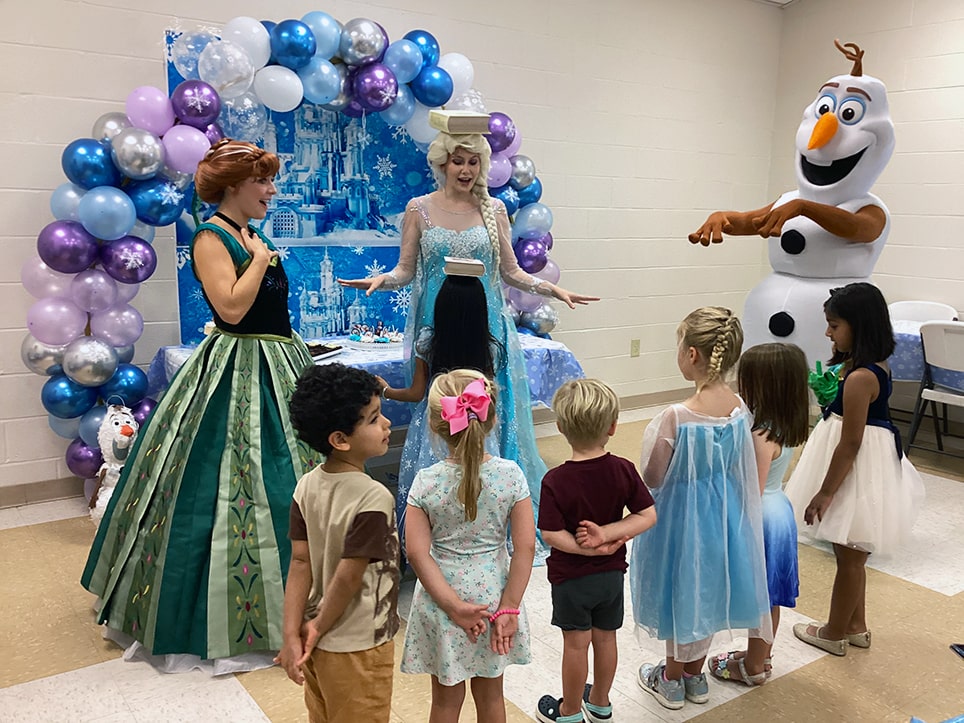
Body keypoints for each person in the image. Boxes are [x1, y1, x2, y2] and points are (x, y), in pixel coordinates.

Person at [81, 139, 317, 672]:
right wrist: (258, 260)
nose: (271, 191)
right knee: (227, 482)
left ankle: (308, 599)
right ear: (234, 187)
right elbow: (232, 308)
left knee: (293, 475)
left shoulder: (248, 232)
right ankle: (228, 612)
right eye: (262, 182)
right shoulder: (214, 236)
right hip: (239, 366)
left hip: (282, 360)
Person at [338, 130, 598, 543]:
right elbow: (406, 270)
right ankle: (441, 512)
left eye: (473, 161)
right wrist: (381, 281)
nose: (466, 169)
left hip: (485, 325)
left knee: (486, 409)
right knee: (444, 406)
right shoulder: (419, 209)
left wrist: (553, 289)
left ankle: (495, 508)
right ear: (442, 163)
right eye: (458, 160)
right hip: (438, 326)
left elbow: (512, 272)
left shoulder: (493, 209)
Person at [630, 307, 772, 710]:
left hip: (679, 518)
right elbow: (737, 465)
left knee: (681, 590)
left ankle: (672, 678)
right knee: (709, 587)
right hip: (723, 515)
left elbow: (654, 476)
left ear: (692, 354)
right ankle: (696, 675)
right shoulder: (740, 409)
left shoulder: (675, 417)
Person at [785, 282, 924, 656]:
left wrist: (825, 491)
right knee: (852, 552)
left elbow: (850, 443)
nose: (828, 332)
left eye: (834, 325)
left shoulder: (862, 377)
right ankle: (856, 625)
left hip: (856, 469)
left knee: (849, 555)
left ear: (859, 326)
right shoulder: (868, 367)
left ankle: (833, 632)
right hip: (862, 463)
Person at [400, 370, 535, 723]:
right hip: (493, 600)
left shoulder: (426, 481)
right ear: (491, 418)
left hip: (442, 602)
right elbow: (525, 549)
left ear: (434, 423)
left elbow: (415, 552)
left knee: (445, 702)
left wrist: (453, 605)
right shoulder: (511, 475)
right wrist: (509, 607)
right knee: (491, 699)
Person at [277, 363, 399, 723]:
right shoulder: (374, 497)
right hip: (359, 643)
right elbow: (348, 577)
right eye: (374, 419)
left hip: (316, 638)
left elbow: (300, 563)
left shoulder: (306, 486)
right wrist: (316, 628)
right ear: (340, 439)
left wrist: (293, 633)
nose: (387, 424)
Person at [534, 379, 657, 723]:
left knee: (576, 645)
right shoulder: (622, 469)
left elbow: (551, 534)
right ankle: (601, 703)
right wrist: (610, 536)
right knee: (606, 640)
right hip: (611, 577)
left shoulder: (555, 480)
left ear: (560, 427)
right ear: (613, 427)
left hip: (572, 580)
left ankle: (570, 711)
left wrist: (585, 548)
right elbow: (647, 515)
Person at [708, 343, 811, 686]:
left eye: (746, 380)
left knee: (761, 595)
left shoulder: (760, 433)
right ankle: (759, 656)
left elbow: (752, 485)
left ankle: (752, 667)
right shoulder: (786, 423)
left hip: (760, 515)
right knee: (772, 593)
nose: (740, 386)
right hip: (779, 508)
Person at [378, 274, 504, 538]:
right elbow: (489, 393)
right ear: (481, 310)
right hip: (476, 425)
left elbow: (415, 394)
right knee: (477, 477)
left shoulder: (427, 342)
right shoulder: (489, 348)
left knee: (434, 484)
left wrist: (385, 390)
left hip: (435, 425)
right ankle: (476, 535)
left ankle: (428, 540)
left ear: (441, 308)